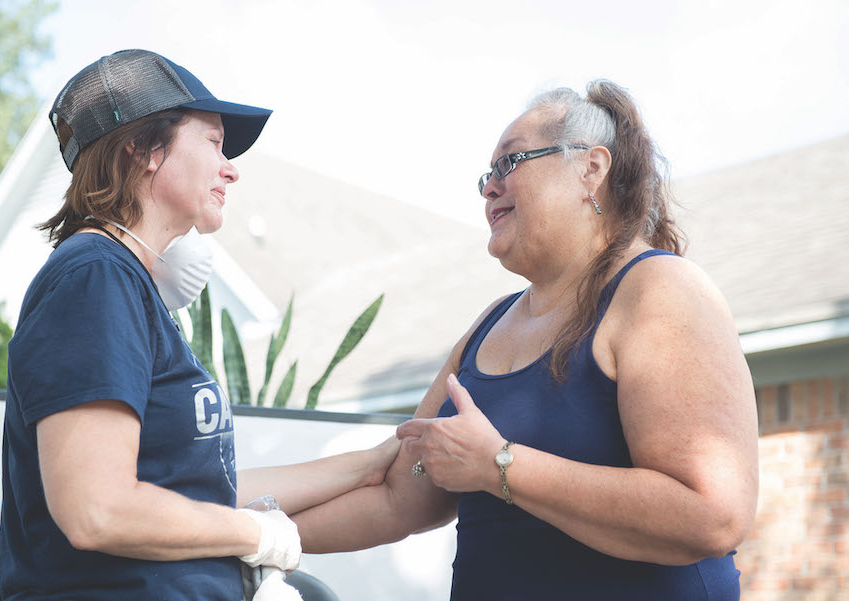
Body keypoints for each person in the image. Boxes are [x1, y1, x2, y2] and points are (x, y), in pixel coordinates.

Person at [291, 80, 759, 600]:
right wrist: (245, 535)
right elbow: (402, 497)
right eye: (487, 175)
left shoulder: (662, 291)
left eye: (510, 163)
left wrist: (499, 465)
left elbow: (712, 514)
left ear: (591, 169)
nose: (490, 187)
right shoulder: (491, 323)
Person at [0, 49, 398, 601]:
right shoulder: (94, 280)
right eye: (213, 142)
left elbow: (203, 492)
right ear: (145, 151)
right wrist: (255, 534)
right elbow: (98, 510)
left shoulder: (126, 285)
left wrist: (370, 464)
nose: (230, 167)